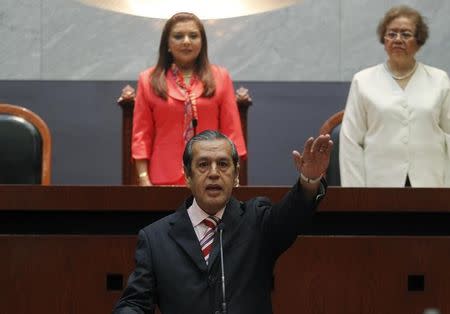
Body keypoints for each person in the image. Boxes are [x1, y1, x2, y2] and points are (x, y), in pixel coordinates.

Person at [113, 130, 333, 314]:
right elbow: (134, 303)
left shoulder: (257, 221)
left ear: (236, 175)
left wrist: (309, 181)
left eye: (223, 164)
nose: (214, 173)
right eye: (203, 165)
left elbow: (291, 216)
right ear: (187, 176)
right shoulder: (155, 238)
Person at [340, 5, 450, 187]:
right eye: (391, 34)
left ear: (419, 40)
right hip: (378, 185)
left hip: (430, 184)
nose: (397, 39)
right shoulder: (363, 80)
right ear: (384, 39)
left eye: (405, 34)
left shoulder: (439, 80)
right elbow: (350, 141)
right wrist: (356, 197)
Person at [132, 12, 247, 186]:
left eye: (193, 36)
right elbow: (142, 135)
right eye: (178, 36)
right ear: (168, 44)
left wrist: (234, 178)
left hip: (212, 178)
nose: (186, 41)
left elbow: (232, 134)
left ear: (202, 42)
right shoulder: (147, 80)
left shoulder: (221, 77)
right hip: (162, 179)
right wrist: (143, 179)